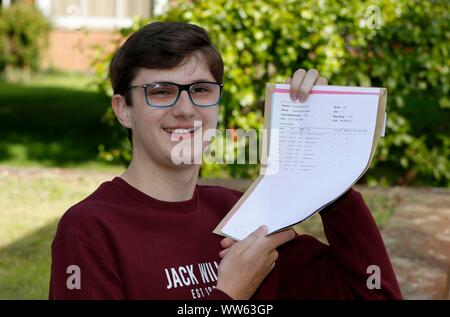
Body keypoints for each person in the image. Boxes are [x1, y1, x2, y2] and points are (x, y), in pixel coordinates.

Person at [49, 22, 402, 300]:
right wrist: (230, 293)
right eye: (161, 92)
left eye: (201, 90)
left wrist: (325, 173)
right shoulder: (90, 230)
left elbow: (372, 294)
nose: (185, 109)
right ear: (124, 110)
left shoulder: (241, 215)